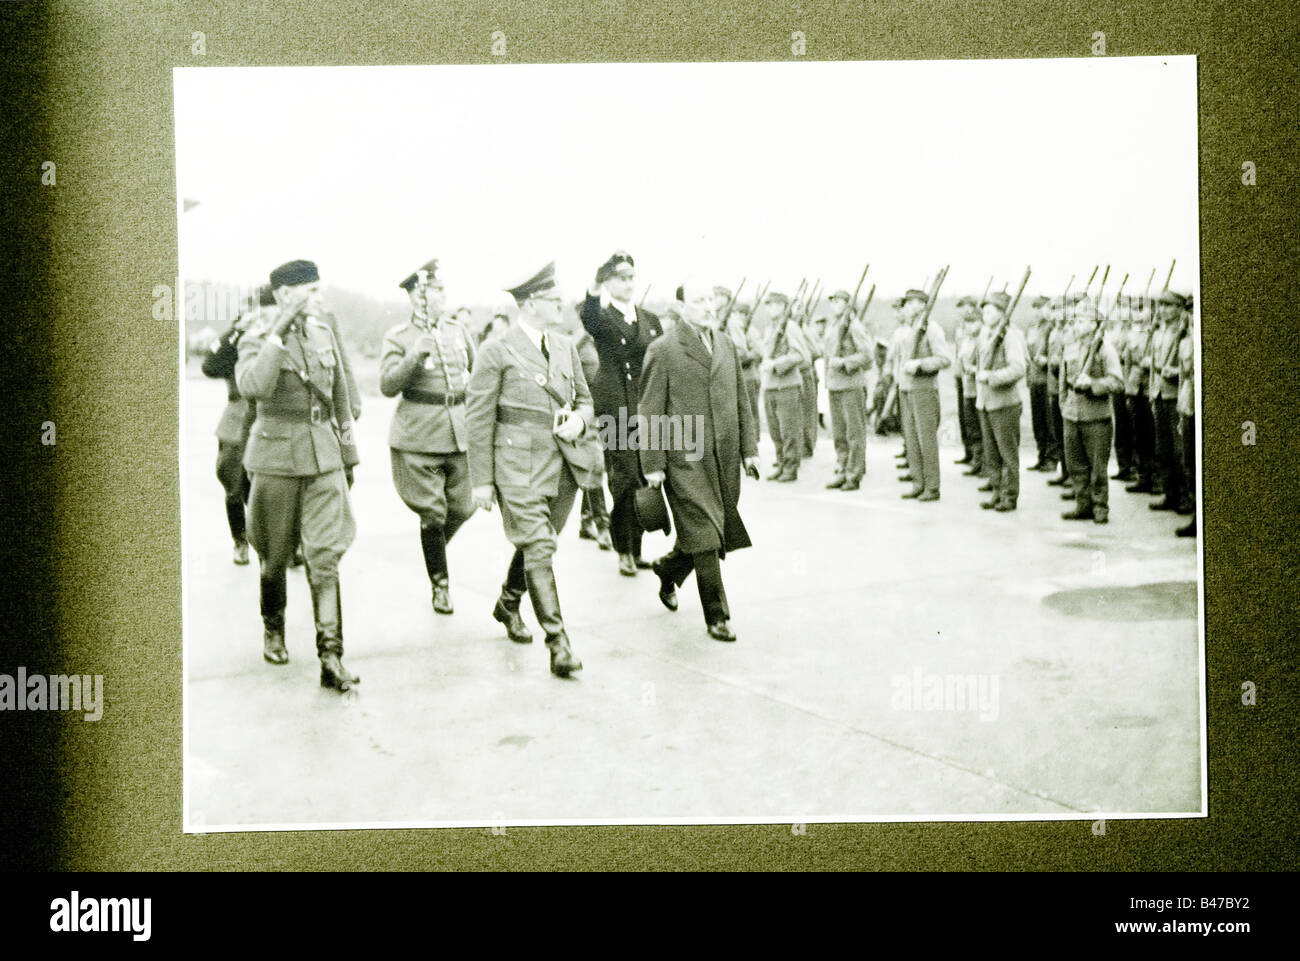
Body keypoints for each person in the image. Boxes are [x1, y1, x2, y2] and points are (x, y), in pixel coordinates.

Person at [467, 262, 599, 677]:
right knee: (540, 545)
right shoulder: (496, 350)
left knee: (537, 541)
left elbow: (585, 401)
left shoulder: (564, 346)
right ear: (529, 304)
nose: (561, 304)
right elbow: (478, 417)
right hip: (516, 465)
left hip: (562, 462)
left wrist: (579, 420)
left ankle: (508, 603)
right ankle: (558, 644)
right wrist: (482, 481)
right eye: (553, 299)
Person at [236, 259, 361, 691]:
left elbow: (340, 398)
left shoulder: (323, 332)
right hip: (275, 458)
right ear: (286, 295)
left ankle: (331, 654)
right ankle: (274, 627)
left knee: (325, 556)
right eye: (310, 292)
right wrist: (277, 333)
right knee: (274, 556)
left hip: (323, 456)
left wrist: (348, 455)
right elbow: (253, 386)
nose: (319, 299)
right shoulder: (256, 334)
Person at [641, 279, 759, 643]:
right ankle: (717, 616)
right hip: (685, 458)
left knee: (706, 531)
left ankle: (669, 568)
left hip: (722, 459)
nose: (709, 306)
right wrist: (653, 464)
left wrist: (749, 449)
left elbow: (741, 399)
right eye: (699, 301)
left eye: (711, 299)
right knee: (706, 532)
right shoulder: (664, 349)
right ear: (682, 307)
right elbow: (650, 410)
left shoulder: (725, 343)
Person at [378, 259, 477, 617]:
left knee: (463, 507)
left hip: (459, 431)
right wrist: (414, 355)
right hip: (418, 434)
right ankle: (441, 584)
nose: (441, 296)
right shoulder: (399, 336)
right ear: (414, 297)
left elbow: (476, 373)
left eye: (442, 289)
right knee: (433, 514)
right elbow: (388, 385)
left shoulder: (456, 330)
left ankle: (432, 548)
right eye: (433, 290)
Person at [579, 251, 664, 577]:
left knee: (644, 478)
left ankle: (637, 548)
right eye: (620, 278)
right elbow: (587, 316)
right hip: (616, 409)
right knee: (624, 479)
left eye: (631, 277)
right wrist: (594, 285)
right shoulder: (601, 317)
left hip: (645, 407)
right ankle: (623, 549)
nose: (628, 284)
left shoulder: (650, 319)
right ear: (608, 283)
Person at [201, 284, 272, 565]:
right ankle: (240, 541)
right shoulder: (234, 340)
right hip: (236, 415)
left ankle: (283, 545)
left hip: (268, 415)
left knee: (272, 486)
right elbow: (209, 366)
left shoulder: (273, 337)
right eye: (250, 313)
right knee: (233, 482)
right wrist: (236, 330)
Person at [1059, 299, 1124, 524]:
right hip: (1071, 413)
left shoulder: (1106, 349)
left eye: (1083, 320)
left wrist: (1094, 384)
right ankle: (1083, 504)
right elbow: (1062, 379)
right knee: (1075, 464)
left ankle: (1100, 507)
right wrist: (1063, 404)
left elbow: (1117, 382)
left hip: (1096, 416)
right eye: (1076, 320)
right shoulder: (1070, 345)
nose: (1077, 325)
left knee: (1097, 466)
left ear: (1095, 323)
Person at [896, 288, 953, 502]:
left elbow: (944, 359)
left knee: (926, 440)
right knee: (911, 440)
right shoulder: (908, 329)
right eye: (907, 303)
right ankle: (918, 483)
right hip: (906, 389)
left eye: (912, 303)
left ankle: (932, 486)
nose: (908, 307)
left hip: (924, 389)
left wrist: (920, 365)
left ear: (922, 305)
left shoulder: (932, 329)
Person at [973, 290, 1028, 511]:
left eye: (990, 311)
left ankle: (1009, 496)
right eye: (984, 311)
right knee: (991, 453)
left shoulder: (1010, 337)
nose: (985, 315)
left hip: (1005, 404)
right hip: (985, 403)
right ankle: (997, 492)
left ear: (1001, 313)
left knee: (1007, 453)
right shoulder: (985, 335)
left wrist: (992, 377)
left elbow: (1019, 368)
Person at [821, 289, 872, 490]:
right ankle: (842, 470)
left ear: (847, 304)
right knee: (839, 433)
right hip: (835, 385)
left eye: (839, 301)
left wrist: (843, 362)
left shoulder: (854, 326)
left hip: (851, 385)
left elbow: (867, 354)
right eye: (832, 301)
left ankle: (854, 474)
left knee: (854, 433)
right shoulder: (833, 326)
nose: (835, 304)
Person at [758, 291, 811, 481]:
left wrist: (776, 364)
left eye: (773, 304)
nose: (770, 308)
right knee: (775, 430)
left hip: (787, 386)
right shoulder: (770, 328)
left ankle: (790, 467)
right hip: (770, 386)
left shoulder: (790, 327)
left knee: (789, 430)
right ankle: (781, 463)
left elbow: (800, 355)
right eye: (768, 304)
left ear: (782, 306)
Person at [1147, 288, 1187, 513]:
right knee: (1163, 448)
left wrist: (1175, 372)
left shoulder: (1183, 334)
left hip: (1175, 397)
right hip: (1160, 395)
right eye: (1161, 305)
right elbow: (1154, 367)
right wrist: (1153, 392)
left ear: (1179, 309)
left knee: (1178, 450)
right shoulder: (1159, 333)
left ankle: (1185, 497)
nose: (1163, 310)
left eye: (1168, 305)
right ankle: (1169, 493)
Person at [1122, 296, 1158, 494]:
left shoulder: (1157, 332)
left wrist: (1150, 361)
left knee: (1155, 437)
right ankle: (1144, 476)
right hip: (1136, 388)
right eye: (1135, 310)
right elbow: (1127, 362)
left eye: (1142, 309)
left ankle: (1158, 479)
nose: (1137, 313)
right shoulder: (1132, 334)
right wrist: (1128, 386)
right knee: (1140, 435)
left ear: (1152, 311)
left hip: (1151, 388)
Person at [1025, 294, 1057, 472]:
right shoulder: (1032, 329)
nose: (1038, 312)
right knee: (1038, 421)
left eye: (1041, 308)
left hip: (1047, 380)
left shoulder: (1051, 328)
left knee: (1049, 421)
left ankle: (1052, 459)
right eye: (1035, 308)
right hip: (1034, 379)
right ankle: (1041, 455)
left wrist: (1047, 359)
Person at [954, 296, 985, 477]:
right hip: (967, 387)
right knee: (972, 426)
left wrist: (973, 369)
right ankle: (976, 460)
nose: (970, 327)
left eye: (973, 322)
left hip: (979, 389)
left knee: (981, 428)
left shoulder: (982, 341)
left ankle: (984, 463)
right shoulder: (966, 340)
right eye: (967, 323)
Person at [1174, 293, 1197, 537]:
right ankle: (1195, 516)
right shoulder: (1185, 342)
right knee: (1189, 462)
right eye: (1188, 312)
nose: (1190, 317)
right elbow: (1184, 377)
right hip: (1189, 405)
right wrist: (1182, 410)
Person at [1108, 298, 1137, 483]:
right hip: (1119, 384)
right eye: (1120, 309)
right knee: (1121, 428)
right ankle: (1124, 466)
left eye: (1127, 309)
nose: (1124, 313)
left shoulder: (1138, 332)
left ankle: (1136, 468)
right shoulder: (1114, 332)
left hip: (1133, 384)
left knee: (1135, 427)